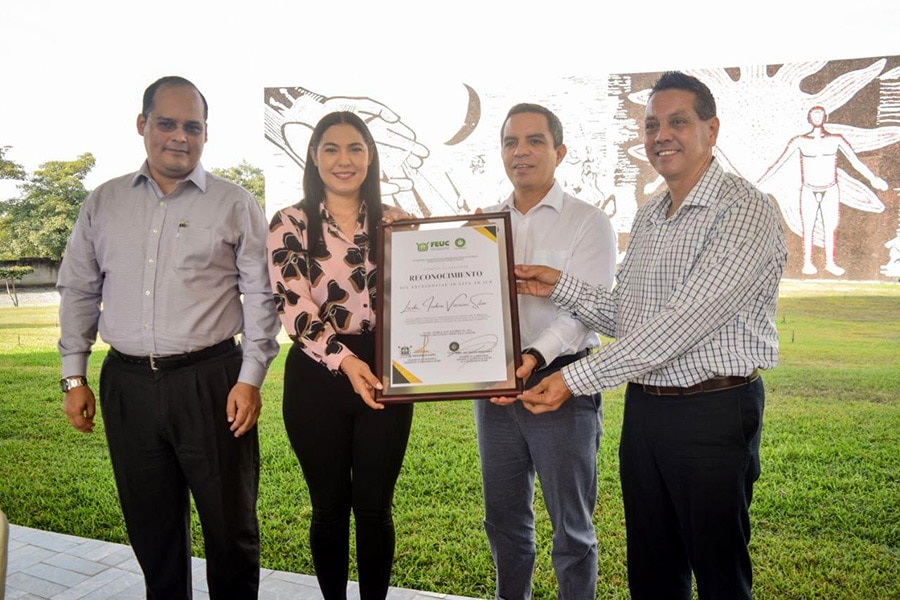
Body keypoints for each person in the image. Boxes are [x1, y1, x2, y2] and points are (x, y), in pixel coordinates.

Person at [510, 72, 788, 600]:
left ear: (711, 129)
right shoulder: (651, 215)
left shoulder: (745, 208)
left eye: (677, 122)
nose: (662, 135)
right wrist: (560, 284)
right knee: (653, 569)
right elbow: (630, 317)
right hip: (646, 412)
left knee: (719, 571)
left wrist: (574, 378)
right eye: (652, 125)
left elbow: (683, 322)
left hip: (713, 411)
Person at [57, 75, 281, 599]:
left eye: (193, 127)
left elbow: (261, 296)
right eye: (167, 123)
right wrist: (73, 377)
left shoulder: (234, 203)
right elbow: (80, 289)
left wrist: (251, 378)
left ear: (206, 133)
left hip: (213, 383)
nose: (180, 137)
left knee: (230, 528)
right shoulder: (103, 202)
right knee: (152, 530)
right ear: (142, 125)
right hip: (127, 385)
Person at [266, 111, 415, 600]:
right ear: (314, 157)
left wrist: (420, 241)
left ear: (370, 157)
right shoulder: (290, 222)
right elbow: (294, 306)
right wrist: (347, 362)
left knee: (375, 508)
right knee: (328, 509)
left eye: (355, 148)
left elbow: (421, 296)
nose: (343, 160)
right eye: (331, 148)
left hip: (385, 369)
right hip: (318, 375)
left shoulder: (393, 221)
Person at [476, 103, 617, 600]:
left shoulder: (588, 222)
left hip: (564, 384)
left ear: (559, 152)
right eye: (511, 142)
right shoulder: (482, 225)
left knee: (571, 530)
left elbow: (585, 312)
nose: (521, 151)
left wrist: (533, 358)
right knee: (503, 521)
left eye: (535, 140)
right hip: (495, 388)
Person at [757, 105, 888, 276]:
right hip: (809, 189)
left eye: (820, 114)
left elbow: (855, 162)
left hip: (830, 188)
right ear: (809, 118)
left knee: (829, 227)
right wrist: (759, 183)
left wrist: (873, 179)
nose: (817, 117)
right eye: (814, 114)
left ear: (825, 118)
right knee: (808, 226)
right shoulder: (800, 141)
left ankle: (830, 263)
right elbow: (778, 164)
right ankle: (807, 263)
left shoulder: (836, 139)